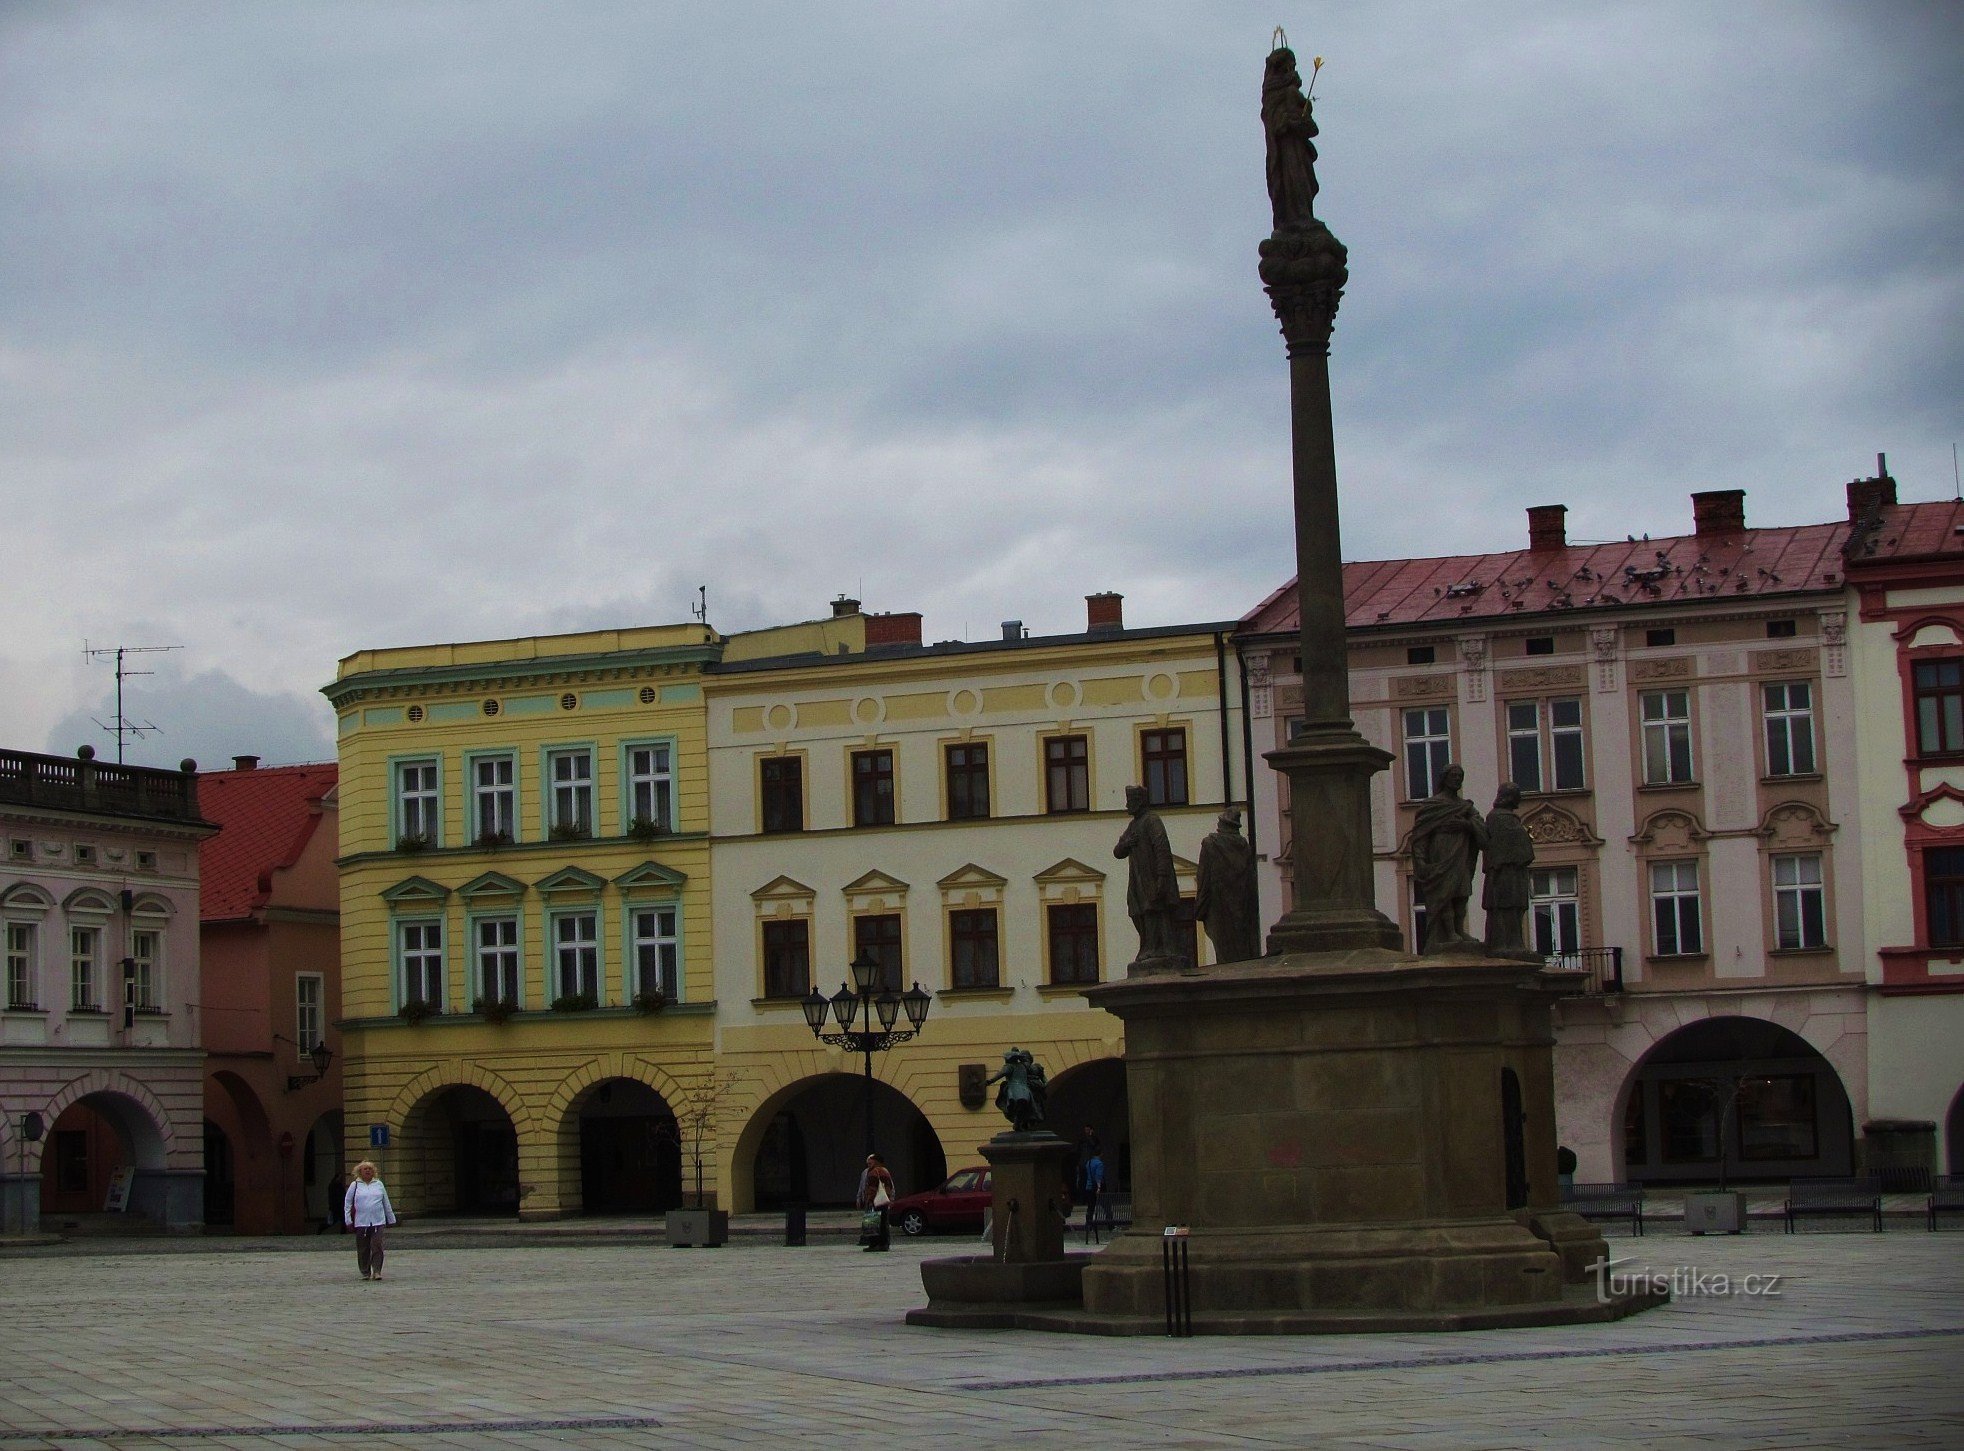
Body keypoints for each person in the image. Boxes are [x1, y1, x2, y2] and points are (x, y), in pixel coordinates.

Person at [1410, 764, 1487, 953]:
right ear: (1444, 778)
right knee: (1444, 892)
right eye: (1453, 775)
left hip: (1461, 852)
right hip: (1440, 851)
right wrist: (1420, 860)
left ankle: (1460, 929)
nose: (1457, 779)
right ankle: (1449, 932)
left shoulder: (1466, 806)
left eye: (1460, 776)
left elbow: (1482, 831)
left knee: (1461, 894)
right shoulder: (1432, 805)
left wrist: (1466, 825)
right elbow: (1420, 835)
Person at [1115, 785, 1184, 967]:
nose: (1127, 805)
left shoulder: (1152, 820)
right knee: (1138, 911)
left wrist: (1162, 876)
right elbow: (1117, 851)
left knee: (1154, 910)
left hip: (1152, 876)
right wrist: (1126, 843)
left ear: (1139, 801)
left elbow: (1162, 848)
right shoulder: (1133, 825)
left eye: (1130, 801)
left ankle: (1158, 948)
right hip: (1138, 878)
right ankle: (1148, 946)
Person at [1195, 807, 1262, 964]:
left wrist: (1200, 906)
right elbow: (1251, 880)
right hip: (1242, 906)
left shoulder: (1210, 844)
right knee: (1241, 946)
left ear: (1223, 824)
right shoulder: (1244, 845)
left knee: (1223, 947)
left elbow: (1203, 877)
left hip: (1219, 905)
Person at [1482, 783, 1536, 953]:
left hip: (1514, 871)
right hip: (1503, 872)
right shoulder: (1497, 818)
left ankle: (1515, 943)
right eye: (1517, 795)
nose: (1520, 799)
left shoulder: (1508, 818)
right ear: (1509, 797)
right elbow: (1504, 844)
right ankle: (1503, 944)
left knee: (1516, 908)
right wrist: (1523, 839)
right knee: (1505, 907)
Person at [343, 1160, 397, 1280]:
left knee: (377, 1245)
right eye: (365, 1169)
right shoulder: (355, 1185)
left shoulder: (378, 1184)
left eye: (370, 1169)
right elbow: (347, 1203)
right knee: (363, 1248)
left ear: (373, 1171)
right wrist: (348, 1220)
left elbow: (386, 1202)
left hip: (378, 1221)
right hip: (361, 1221)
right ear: (359, 1172)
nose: (368, 1171)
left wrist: (391, 1218)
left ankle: (377, 1271)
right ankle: (365, 1271)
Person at [855, 1153, 895, 1253]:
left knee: (872, 1223)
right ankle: (884, 1244)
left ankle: (874, 1244)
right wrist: (889, 1198)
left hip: (875, 1202)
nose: (868, 1164)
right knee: (883, 1224)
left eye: (870, 1162)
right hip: (884, 1201)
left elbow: (872, 1188)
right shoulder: (885, 1171)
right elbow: (890, 1186)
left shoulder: (874, 1172)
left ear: (876, 1161)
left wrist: (869, 1199)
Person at [1079, 1147, 1108, 1243]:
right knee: (1106, 1206)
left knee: (1090, 1207)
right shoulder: (1099, 1163)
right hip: (1096, 1188)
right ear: (1100, 1154)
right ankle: (1110, 1225)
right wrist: (1099, 1187)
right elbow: (1098, 1176)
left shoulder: (1089, 1162)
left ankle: (1089, 1224)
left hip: (1089, 1187)